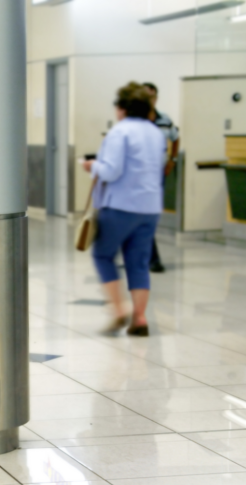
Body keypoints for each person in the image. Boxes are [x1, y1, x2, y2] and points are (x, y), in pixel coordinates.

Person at [82, 82, 163, 337]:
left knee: (103, 255)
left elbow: (111, 171)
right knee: (138, 262)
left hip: (120, 205)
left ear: (123, 107)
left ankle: (118, 309)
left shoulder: (120, 132)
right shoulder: (155, 132)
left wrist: (91, 166)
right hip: (150, 207)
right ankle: (139, 318)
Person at [142, 82, 180, 274]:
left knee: (150, 216)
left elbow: (175, 136)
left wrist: (172, 159)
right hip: (139, 177)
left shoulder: (165, 119)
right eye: (146, 96)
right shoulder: (134, 120)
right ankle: (152, 259)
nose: (150, 100)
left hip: (158, 176)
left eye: (153, 96)